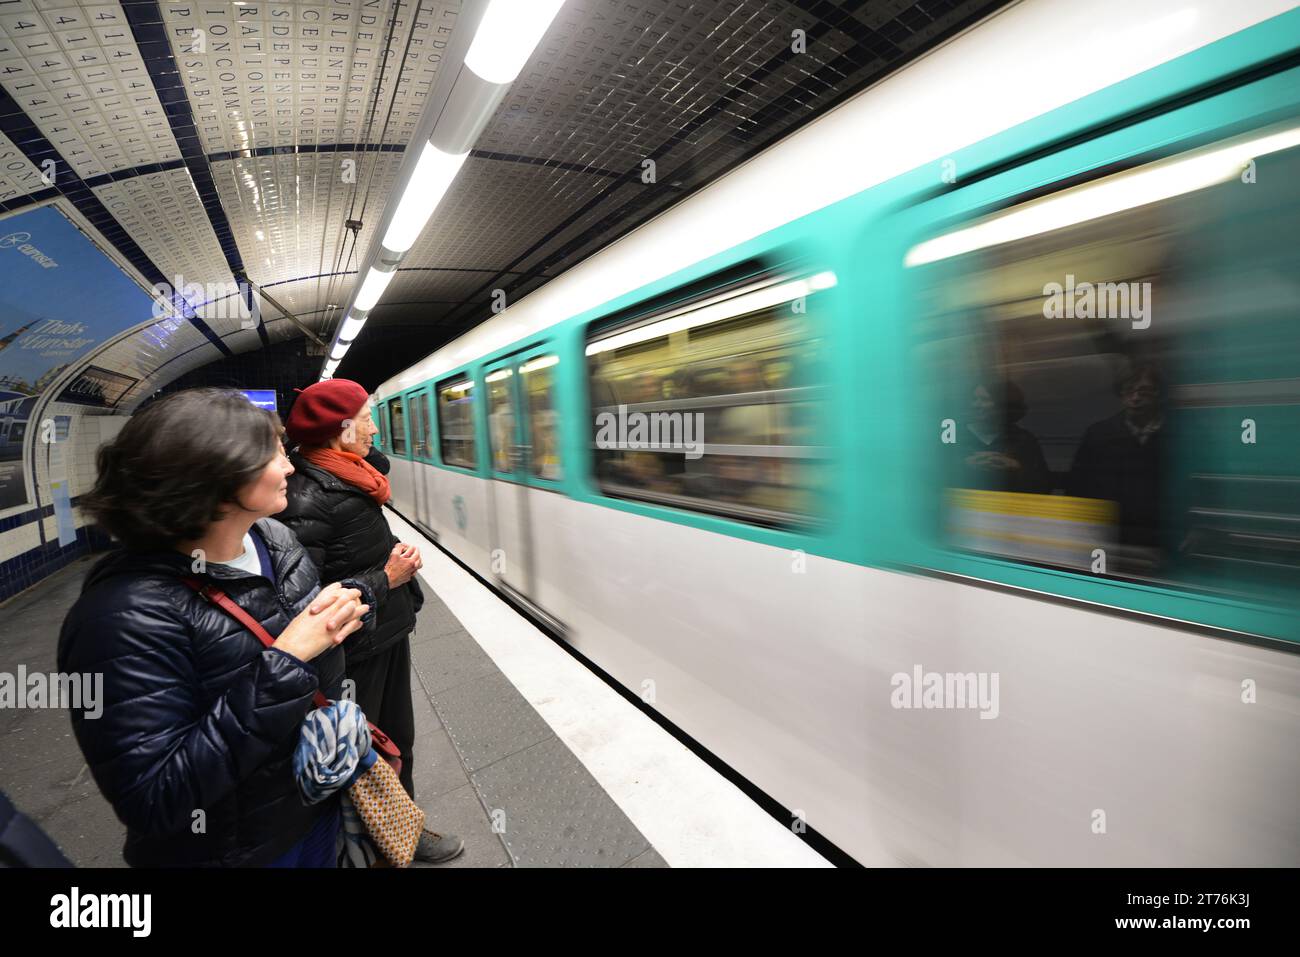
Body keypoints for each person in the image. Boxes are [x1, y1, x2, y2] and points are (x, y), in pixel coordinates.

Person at [58, 389, 370, 867]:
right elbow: (155, 798)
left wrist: (338, 619)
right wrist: (285, 661)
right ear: (217, 475)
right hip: (239, 851)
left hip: (314, 803)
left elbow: (297, 650)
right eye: (271, 454)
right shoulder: (121, 618)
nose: (289, 467)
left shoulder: (273, 538)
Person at [277, 379, 464, 864]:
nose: (376, 426)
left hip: (383, 631)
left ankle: (400, 830)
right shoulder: (308, 498)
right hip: (355, 649)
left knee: (396, 738)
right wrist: (386, 576)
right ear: (340, 431)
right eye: (366, 418)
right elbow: (308, 600)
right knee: (373, 747)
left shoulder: (349, 474)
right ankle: (385, 843)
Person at [1068, 361, 1170, 554]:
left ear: (1159, 394)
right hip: (1111, 539)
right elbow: (1078, 485)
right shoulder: (1099, 434)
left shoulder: (1178, 434)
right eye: (1128, 391)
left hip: (1163, 538)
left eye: (1145, 391)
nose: (1135, 398)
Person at [952, 379, 1051, 494]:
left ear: (1002, 405)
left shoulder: (1023, 438)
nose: (976, 405)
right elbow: (932, 477)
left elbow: (1043, 485)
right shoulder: (952, 433)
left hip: (1007, 507)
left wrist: (1015, 466)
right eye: (974, 399)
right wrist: (965, 465)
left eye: (985, 399)